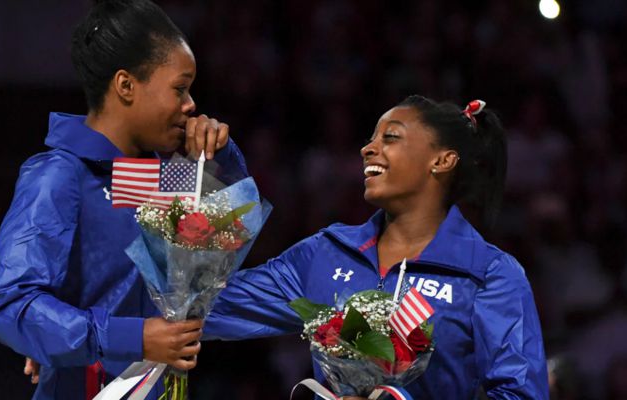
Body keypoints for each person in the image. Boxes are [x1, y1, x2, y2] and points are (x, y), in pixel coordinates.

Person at [0, 1, 248, 399]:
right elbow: (10, 303)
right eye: (179, 88)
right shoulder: (59, 176)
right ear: (125, 86)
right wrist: (131, 337)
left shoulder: (167, 171)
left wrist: (220, 158)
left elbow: (226, 248)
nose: (191, 104)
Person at [203, 95, 549, 399]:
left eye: (391, 137)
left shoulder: (488, 274)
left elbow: (521, 395)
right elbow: (200, 306)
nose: (367, 148)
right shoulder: (325, 253)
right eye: (371, 138)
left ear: (442, 161)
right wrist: (220, 168)